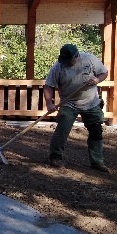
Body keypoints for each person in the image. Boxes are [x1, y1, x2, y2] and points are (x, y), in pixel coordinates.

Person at [43, 44, 109, 172]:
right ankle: (55, 157)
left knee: (96, 131)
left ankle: (97, 161)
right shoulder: (58, 67)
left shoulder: (89, 59)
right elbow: (48, 86)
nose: (66, 63)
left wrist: (97, 80)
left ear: (77, 56)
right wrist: (49, 103)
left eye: (69, 60)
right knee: (62, 130)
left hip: (91, 103)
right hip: (69, 104)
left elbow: (104, 73)